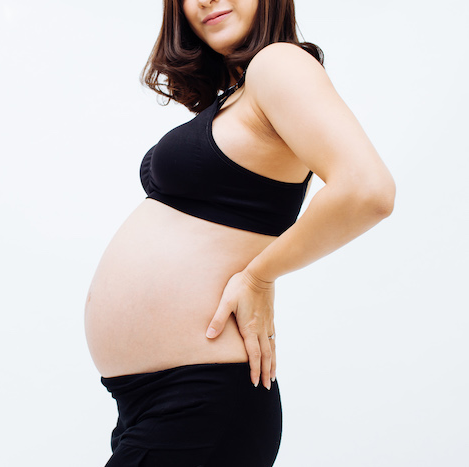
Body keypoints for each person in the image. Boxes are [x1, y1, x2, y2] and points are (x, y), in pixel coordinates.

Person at [84, 0, 396, 465]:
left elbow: (368, 189)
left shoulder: (279, 62)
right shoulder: (241, 92)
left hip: (202, 401)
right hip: (158, 403)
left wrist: (259, 275)